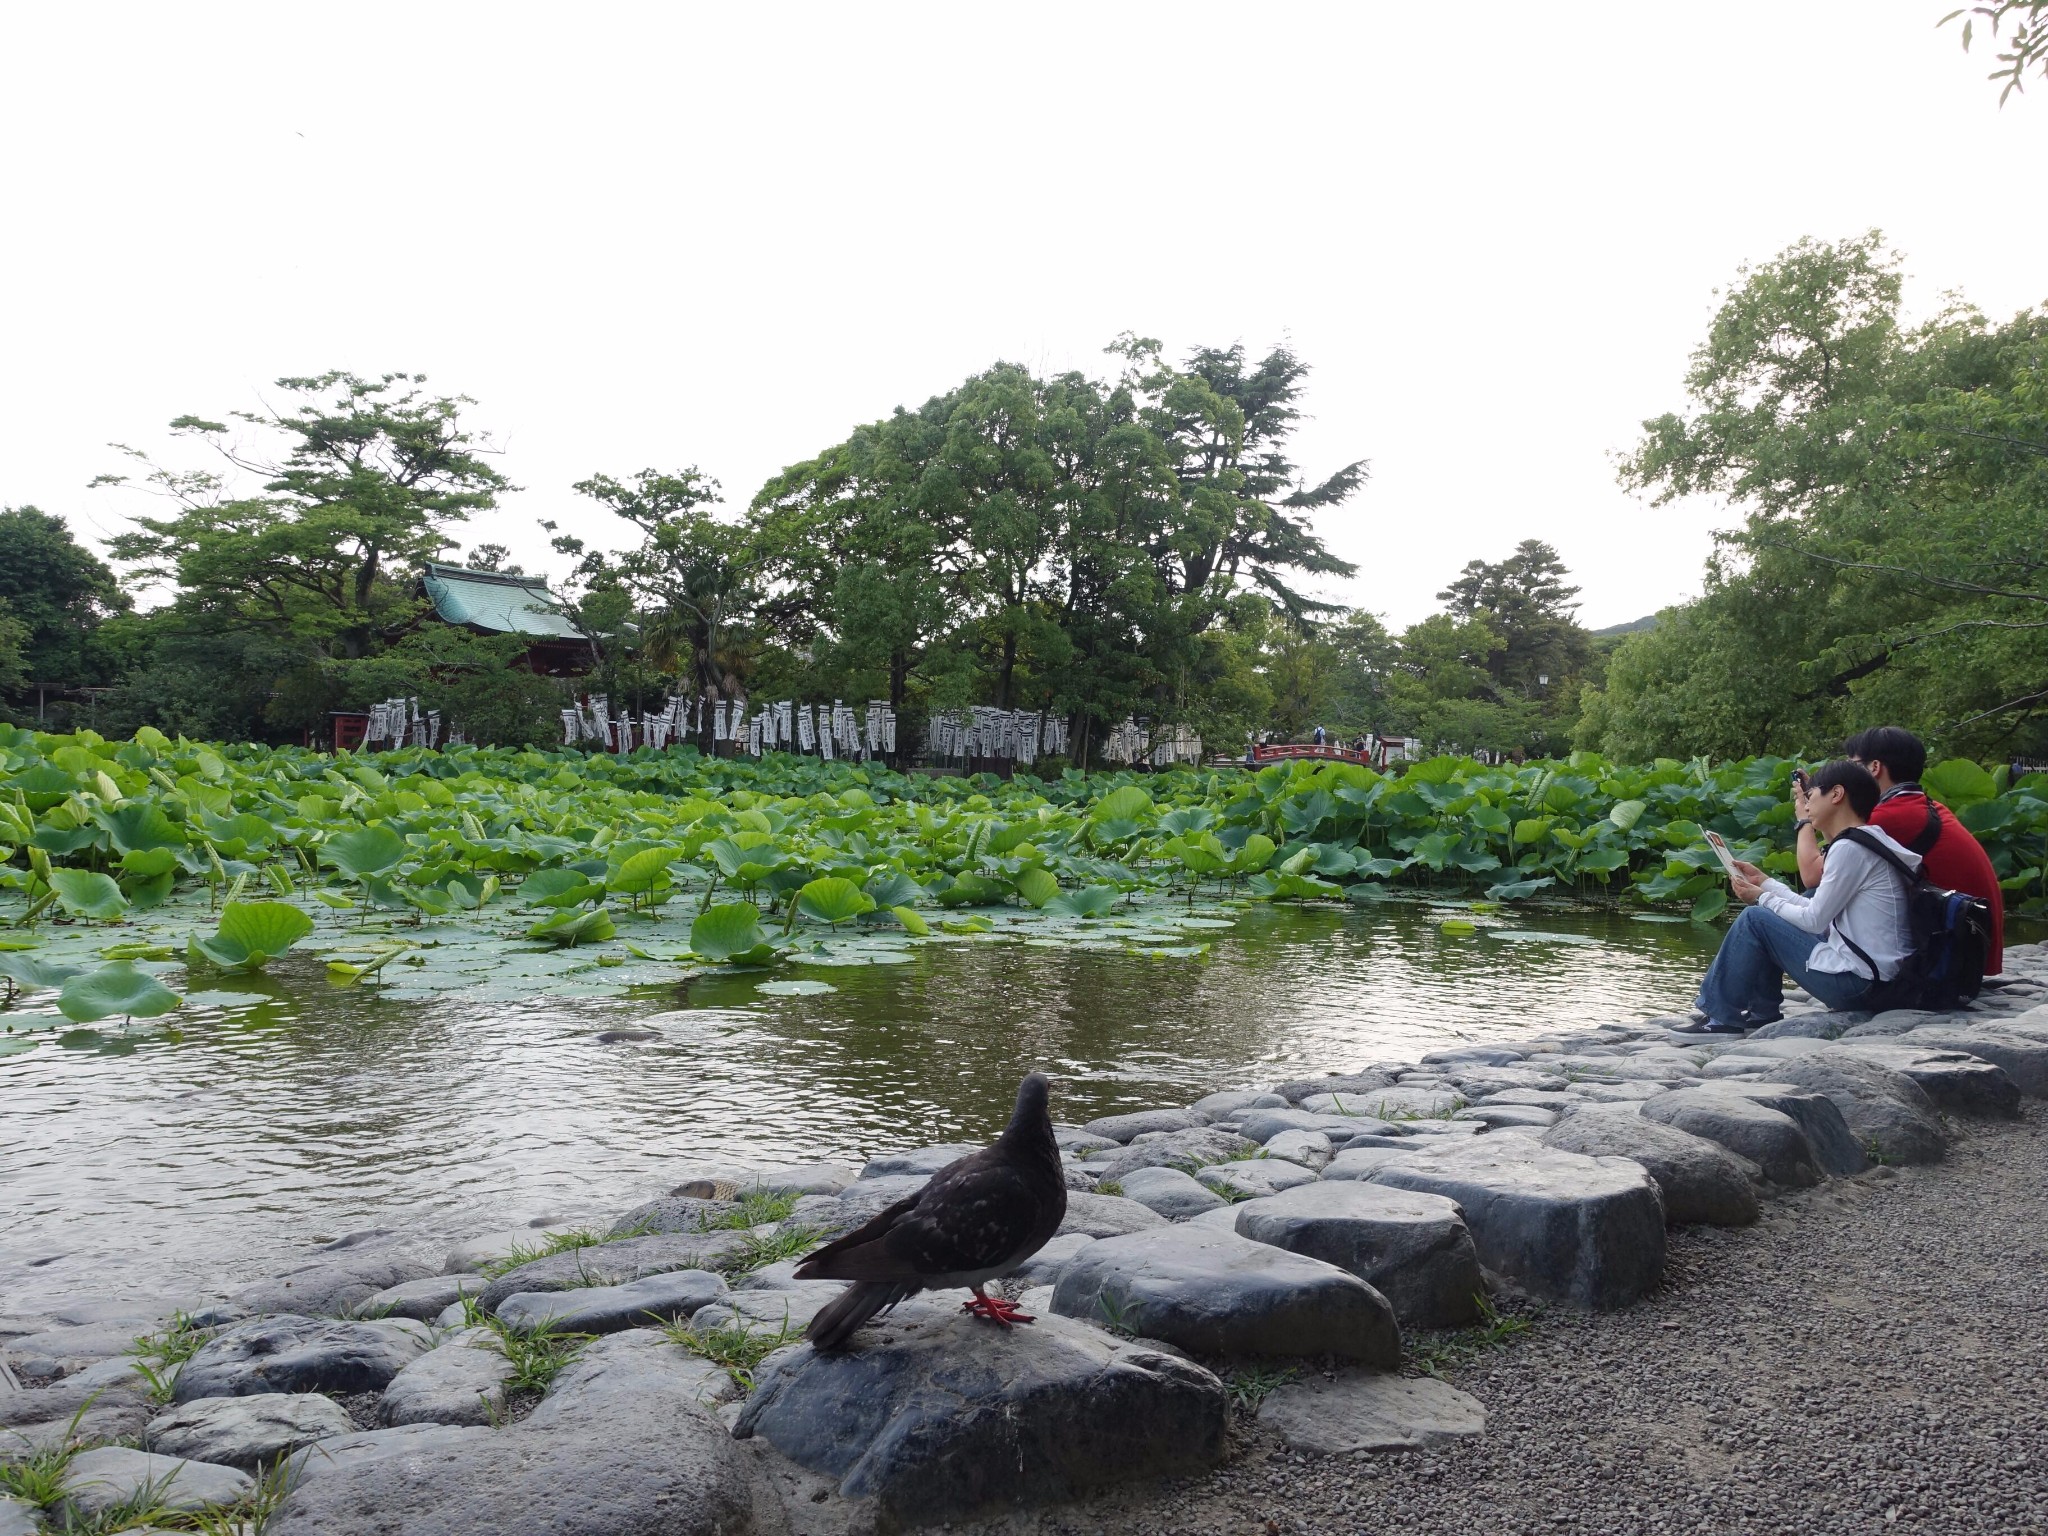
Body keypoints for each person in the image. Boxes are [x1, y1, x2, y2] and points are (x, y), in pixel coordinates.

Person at [1677, 761, 1920, 1035]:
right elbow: (1814, 908)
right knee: (1776, 911)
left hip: (1860, 986)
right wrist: (1766, 884)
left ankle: (1720, 1018)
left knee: (1755, 919)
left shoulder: (1850, 848)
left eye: (1812, 796)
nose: (1806, 806)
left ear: (1837, 795)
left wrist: (1760, 899)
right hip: (1882, 981)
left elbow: (1814, 920)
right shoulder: (1869, 839)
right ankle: (1762, 1014)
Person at [1794, 726, 2004, 976]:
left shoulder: (1888, 817)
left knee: (1808, 898)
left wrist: (1805, 817)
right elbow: (1837, 848)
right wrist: (1823, 802)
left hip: (1951, 955)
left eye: (1853, 765)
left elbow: (1812, 874)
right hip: (1966, 942)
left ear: (1874, 768)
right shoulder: (1922, 806)